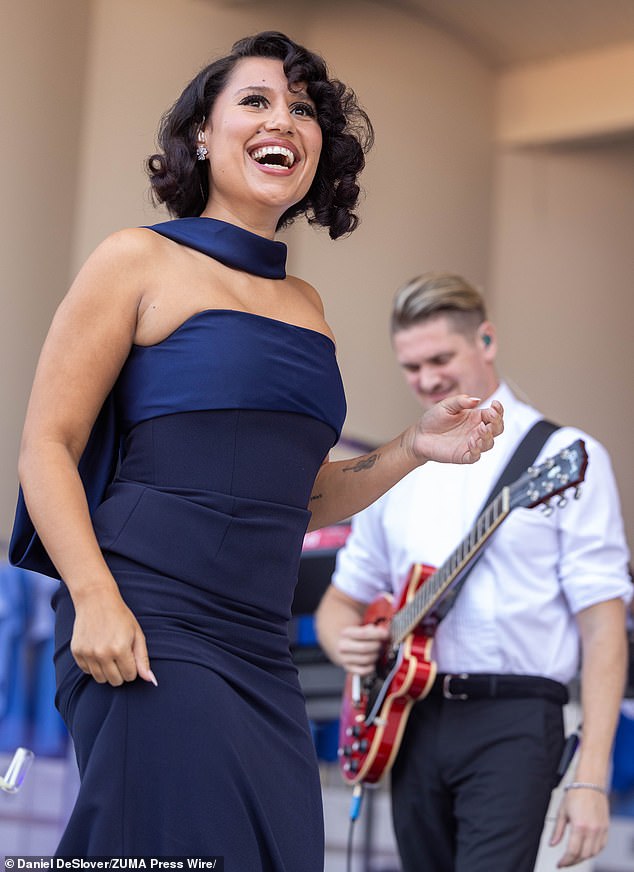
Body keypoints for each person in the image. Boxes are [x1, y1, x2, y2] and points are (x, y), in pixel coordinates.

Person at [8, 36, 503, 865]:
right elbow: (46, 444)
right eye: (257, 101)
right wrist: (93, 596)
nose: (285, 121)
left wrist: (412, 447)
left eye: (304, 110)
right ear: (201, 132)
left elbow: (300, 497)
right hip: (146, 615)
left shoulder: (306, 306)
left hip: (260, 643)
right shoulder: (135, 258)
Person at [316, 272, 631, 872]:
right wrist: (348, 645)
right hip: (414, 719)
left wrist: (592, 776)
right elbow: (340, 603)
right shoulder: (399, 470)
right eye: (411, 367)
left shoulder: (565, 455)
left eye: (441, 358)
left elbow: (604, 627)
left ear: (485, 341)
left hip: (516, 716)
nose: (428, 379)